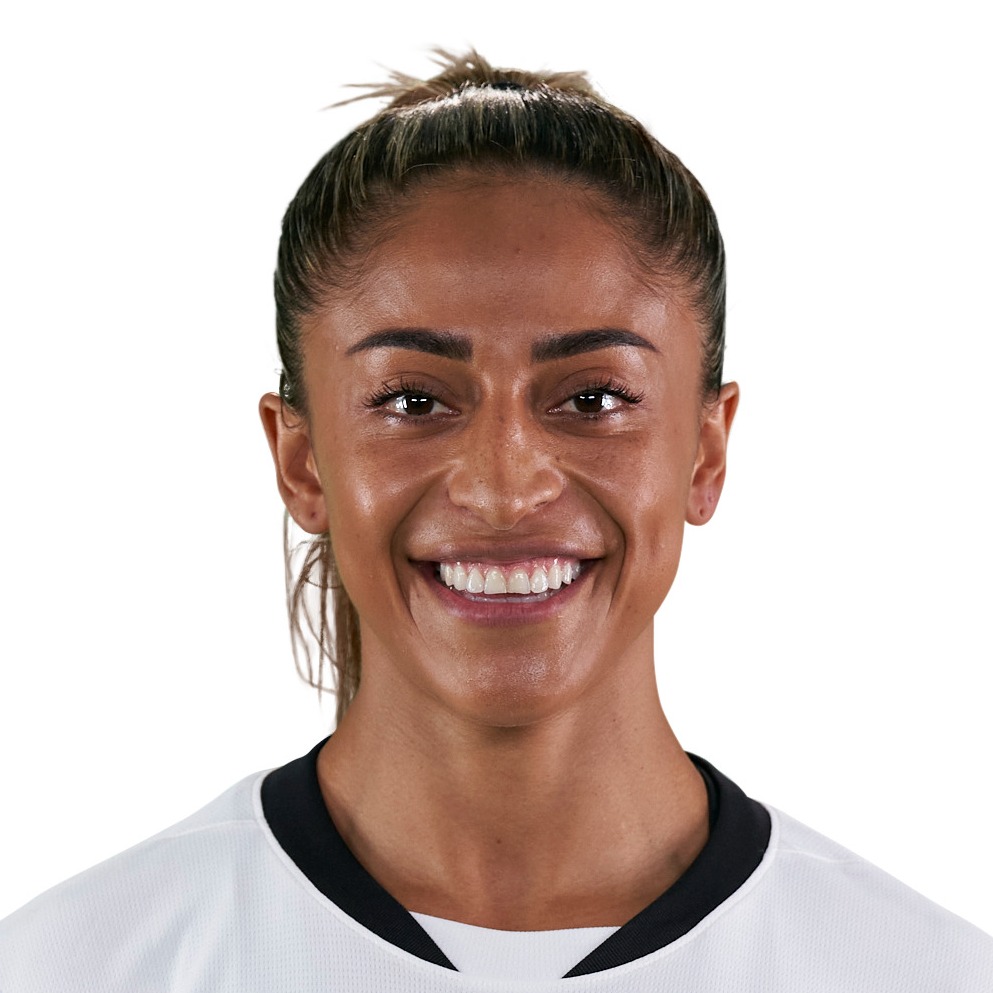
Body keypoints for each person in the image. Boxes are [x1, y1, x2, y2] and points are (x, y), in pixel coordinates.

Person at [1, 50, 990, 991]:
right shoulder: (73, 967)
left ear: (705, 450)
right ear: (301, 462)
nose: (505, 487)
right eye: (413, 400)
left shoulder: (924, 973)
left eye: (594, 398)